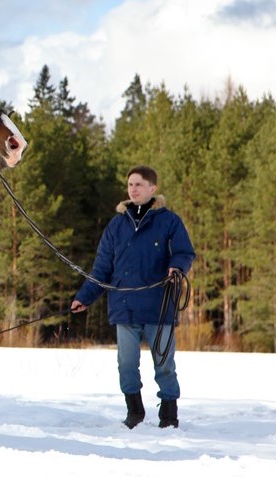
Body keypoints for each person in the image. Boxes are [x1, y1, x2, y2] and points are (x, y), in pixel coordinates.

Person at [71, 165, 195, 429]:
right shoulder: (116, 226)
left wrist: (177, 267)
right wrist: (85, 297)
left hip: (159, 307)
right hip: (124, 308)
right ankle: (135, 412)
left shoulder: (169, 221)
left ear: (152, 188)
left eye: (139, 184)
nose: (133, 189)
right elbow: (102, 269)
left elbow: (184, 253)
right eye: (130, 185)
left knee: (164, 365)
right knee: (126, 365)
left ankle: (169, 416)